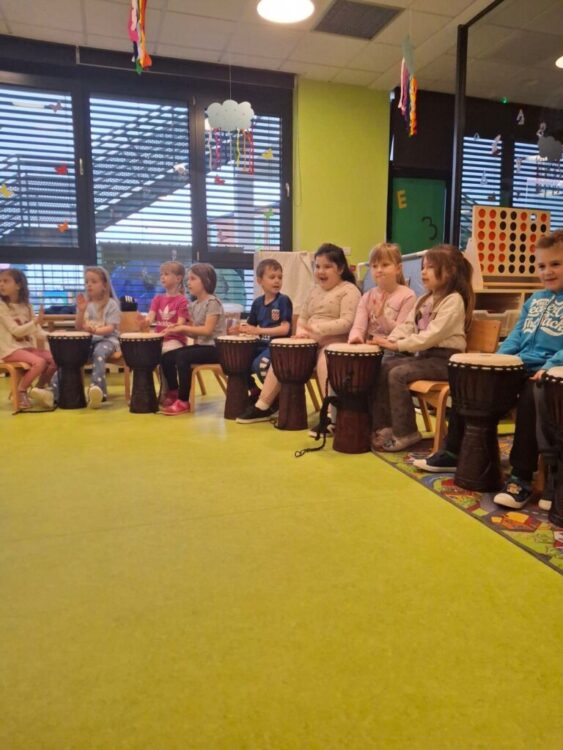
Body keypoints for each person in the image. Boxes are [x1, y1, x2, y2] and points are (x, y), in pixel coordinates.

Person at [413, 230, 563, 510]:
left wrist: (551, 366)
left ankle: (521, 476)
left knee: (530, 395)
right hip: (521, 365)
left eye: (556, 264)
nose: (547, 271)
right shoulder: (535, 300)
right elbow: (516, 336)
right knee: (475, 378)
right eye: (542, 265)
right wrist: (497, 361)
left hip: (549, 374)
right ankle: (453, 451)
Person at [236, 243, 361, 431]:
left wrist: (316, 329)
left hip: (335, 343)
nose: (321, 271)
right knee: (283, 355)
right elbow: (303, 317)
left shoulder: (349, 290)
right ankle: (264, 405)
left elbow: (347, 322)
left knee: (325, 362)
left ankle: (330, 415)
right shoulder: (314, 290)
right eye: (317, 266)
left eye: (327, 266)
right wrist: (302, 331)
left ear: (341, 268)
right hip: (310, 342)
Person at [371, 244, 475, 452]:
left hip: (447, 361)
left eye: (430, 267)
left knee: (398, 374)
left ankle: (406, 432)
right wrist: (388, 340)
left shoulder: (453, 300)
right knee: (384, 367)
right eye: (423, 267)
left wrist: (397, 344)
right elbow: (408, 326)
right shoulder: (424, 299)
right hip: (427, 357)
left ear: (450, 271)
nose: (423, 272)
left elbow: (432, 335)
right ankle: (386, 427)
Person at [159, 263, 226, 415]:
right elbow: (196, 334)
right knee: (166, 357)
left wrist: (183, 328)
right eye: (188, 279)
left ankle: (183, 401)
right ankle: (174, 391)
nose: (188, 282)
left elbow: (207, 331)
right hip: (203, 347)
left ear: (206, 281)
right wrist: (178, 328)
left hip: (216, 348)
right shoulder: (194, 305)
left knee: (183, 357)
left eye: (193, 278)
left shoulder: (213, 302)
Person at [56, 266, 121, 409]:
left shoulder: (111, 304)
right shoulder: (86, 304)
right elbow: (78, 326)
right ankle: (55, 392)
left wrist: (95, 330)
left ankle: (97, 391)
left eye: (94, 281)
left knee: (99, 353)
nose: (89, 285)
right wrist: (80, 311)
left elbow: (111, 328)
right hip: (88, 341)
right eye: (86, 282)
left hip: (108, 340)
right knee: (68, 356)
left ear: (104, 285)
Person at [0, 268, 56, 410]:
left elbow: (37, 332)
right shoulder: (2, 306)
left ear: (18, 285)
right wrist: (35, 322)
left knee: (56, 359)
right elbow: (16, 331)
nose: (1, 284)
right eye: (0, 281)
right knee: (40, 362)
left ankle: (38, 389)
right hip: (10, 350)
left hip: (26, 348)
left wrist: (54, 336)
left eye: (6, 281)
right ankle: (21, 391)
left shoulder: (27, 306)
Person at [139, 261, 189, 407]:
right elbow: (150, 317)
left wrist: (172, 328)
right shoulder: (157, 299)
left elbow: (180, 324)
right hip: (160, 340)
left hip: (176, 340)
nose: (162, 277)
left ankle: (170, 391)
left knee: (164, 355)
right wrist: (144, 322)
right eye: (161, 274)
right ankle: (144, 393)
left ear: (178, 278)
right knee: (144, 356)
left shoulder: (182, 300)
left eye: (166, 274)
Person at [237, 259, 293, 388]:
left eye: (280, 277)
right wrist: (239, 329)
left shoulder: (283, 300)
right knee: (239, 361)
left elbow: (285, 329)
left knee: (260, 364)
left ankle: (274, 396)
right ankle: (254, 390)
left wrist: (259, 331)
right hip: (262, 345)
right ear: (259, 281)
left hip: (278, 347)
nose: (277, 281)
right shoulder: (257, 302)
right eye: (272, 277)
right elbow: (250, 326)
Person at [348, 242, 415, 344]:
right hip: (370, 347)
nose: (379, 270)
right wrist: (356, 338)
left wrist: (381, 317)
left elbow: (402, 332)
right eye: (374, 266)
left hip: (393, 348)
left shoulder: (408, 296)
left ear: (398, 268)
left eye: (385, 265)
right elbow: (358, 327)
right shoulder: (367, 296)